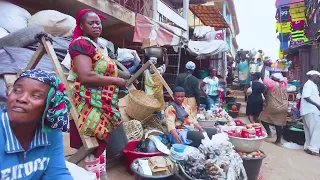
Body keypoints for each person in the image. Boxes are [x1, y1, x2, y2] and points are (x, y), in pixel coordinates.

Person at [67, 9, 127, 177]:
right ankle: (92, 175)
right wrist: (116, 81)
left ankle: (101, 175)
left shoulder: (99, 46)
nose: (96, 26)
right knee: (94, 139)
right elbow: (86, 76)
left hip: (103, 100)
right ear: (81, 26)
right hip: (89, 100)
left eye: (98, 23)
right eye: (90, 23)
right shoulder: (80, 44)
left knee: (101, 143)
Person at [0, 69, 73, 179]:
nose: (22, 99)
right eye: (17, 91)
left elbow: (57, 174)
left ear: (49, 105)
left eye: (36, 95)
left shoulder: (51, 132)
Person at [259, 63, 289, 145]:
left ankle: (269, 133)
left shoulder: (271, 83)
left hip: (272, 107)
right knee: (279, 124)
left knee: (263, 118)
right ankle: (278, 141)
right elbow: (285, 75)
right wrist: (282, 66)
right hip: (284, 107)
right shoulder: (284, 83)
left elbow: (262, 76)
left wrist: (264, 66)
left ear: (274, 78)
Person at [144, 48, 169, 117]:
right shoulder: (159, 71)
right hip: (158, 94)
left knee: (149, 108)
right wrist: (165, 54)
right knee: (159, 108)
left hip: (149, 94)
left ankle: (149, 118)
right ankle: (160, 118)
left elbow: (143, 65)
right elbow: (166, 63)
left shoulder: (145, 72)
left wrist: (144, 54)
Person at [300, 70, 320, 156]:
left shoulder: (312, 85)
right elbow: (306, 96)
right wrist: (317, 105)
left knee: (308, 130)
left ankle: (307, 147)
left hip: (308, 111)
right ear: (312, 76)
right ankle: (313, 149)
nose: (318, 79)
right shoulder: (309, 84)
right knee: (316, 130)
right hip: (311, 111)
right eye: (317, 77)